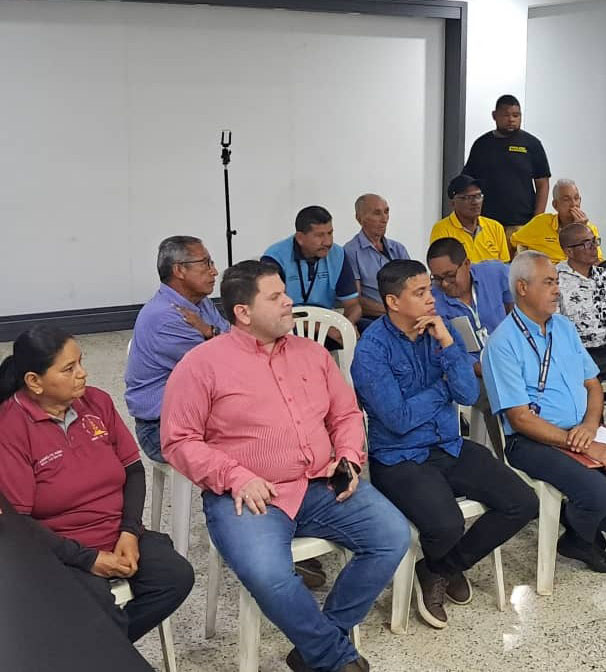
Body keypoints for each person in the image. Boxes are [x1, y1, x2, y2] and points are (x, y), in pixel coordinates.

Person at [161, 260, 409, 672]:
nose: (289, 302)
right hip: (248, 495)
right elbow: (178, 441)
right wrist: (235, 477)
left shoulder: (312, 354)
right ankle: (333, 657)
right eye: (275, 297)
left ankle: (318, 645)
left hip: (321, 482)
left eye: (285, 293)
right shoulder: (201, 365)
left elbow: (346, 414)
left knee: (392, 536)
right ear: (243, 312)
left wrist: (348, 457)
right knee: (269, 574)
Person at [352, 259, 537, 630]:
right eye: (420, 292)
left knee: (523, 502)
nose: (431, 299)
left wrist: (449, 344)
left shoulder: (443, 330)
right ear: (393, 301)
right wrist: (443, 389)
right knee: (447, 524)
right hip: (400, 457)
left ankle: (439, 567)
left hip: (449, 445)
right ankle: (445, 563)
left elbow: (466, 393)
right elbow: (399, 419)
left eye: (429, 290)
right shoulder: (371, 351)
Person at [0, 325, 194, 645]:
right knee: (95, 607)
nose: (82, 373)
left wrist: (129, 532)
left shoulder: (96, 402)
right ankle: (99, 650)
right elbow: (18, 522)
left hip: (116, 533)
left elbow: (133, 470)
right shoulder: (11, 426)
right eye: (69, 369)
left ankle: (93, 650)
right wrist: (89, 559)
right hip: (59, 550)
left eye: (81, 362)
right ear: (34, 381)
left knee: (175, 577)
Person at [482, 251, 606, 574]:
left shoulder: (563, 328)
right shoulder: (503, 343)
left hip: (582, 430)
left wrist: (590, 426)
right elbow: (520, 418)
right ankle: (585, 530)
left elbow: (593, 384)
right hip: (532, 440)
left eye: (557, 281)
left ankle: (579, 535)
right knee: (598, 492)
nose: (557, 289)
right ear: (523, 288)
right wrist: (580, 443)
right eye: (548, 282)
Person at [125, 235, 228, 463]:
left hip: (196, 413)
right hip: (162, 428)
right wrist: (214, 333)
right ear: (179, 270)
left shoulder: (200, 302)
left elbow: (234, 341)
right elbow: (226, 364)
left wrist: (209, 330)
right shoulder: (166, 317)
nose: (214, 271)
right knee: (257, 442)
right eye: (206, 263)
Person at [426, 237, 513, 448]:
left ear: (466, 264)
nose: (444, 284)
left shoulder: (495, 273)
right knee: (498, 395)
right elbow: (448, 352)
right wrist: (483, 368)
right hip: (470, 371)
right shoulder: (433, 301)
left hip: (509, 358)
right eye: (437, 278)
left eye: (449, 275)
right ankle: (506, 455)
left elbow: (517, 309)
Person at [555, 223, 606, 406]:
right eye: (586, 243)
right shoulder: (556, 281)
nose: (594, 247)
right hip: (578, 351)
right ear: (569, 251)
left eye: (595, 241)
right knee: (587, 374)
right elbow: (553, 326)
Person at [463, 94, 551, 238]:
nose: (511, 120)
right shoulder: (482, 144)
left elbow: (542, 184)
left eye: (516, 115)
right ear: (494, 115)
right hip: (486, 223)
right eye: (506, 115)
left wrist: (536, 221)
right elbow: (468, 182)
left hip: (522, 224)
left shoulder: (532, 144)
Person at [262, 205, 363, 329]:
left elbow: (353, 305)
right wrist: (325, 330)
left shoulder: (338, 254)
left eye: (330, 233)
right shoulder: (275, 257)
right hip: (288, 326)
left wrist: (345, 328)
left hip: (327, 322)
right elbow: (273, 311)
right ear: (300, 238)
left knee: (368, 330)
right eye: (319, 235)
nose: (328, 242)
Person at [511, 178, 606, 279]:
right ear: (555, 205)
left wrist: (580, 230)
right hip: (552, 274)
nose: (573, 204)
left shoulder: (588, 228)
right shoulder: (541, 222)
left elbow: (596, 261)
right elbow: (513, 241)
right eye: (566, 199)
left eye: (576, 198)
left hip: (580, 273)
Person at [343, 193, 410, 331]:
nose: (384, 219)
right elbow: (356, 300)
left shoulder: (398, 249)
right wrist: (394, 311)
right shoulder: (351, 252)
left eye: (386, 212)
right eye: (377, 213)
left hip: (405, 314)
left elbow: (413, 284)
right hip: (375, 318)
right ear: (359, 218)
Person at [430, 175, 510, 263]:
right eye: (467, 197)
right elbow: (441, 266)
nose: (475, 202)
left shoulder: (495, 227)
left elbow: (505, 266)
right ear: (453, 203)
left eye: (478, 196)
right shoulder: (442, 229)